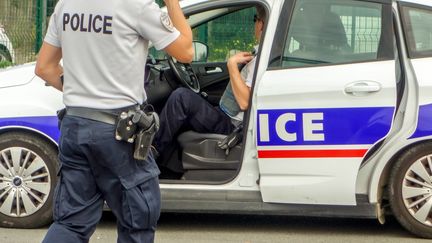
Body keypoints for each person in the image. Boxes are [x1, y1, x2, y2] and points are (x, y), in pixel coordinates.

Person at [35, 0, 193, 242]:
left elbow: (45, 67)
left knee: (70, 224)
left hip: (75, 125)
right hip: (119, 133)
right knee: (137, 224)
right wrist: (172, 3)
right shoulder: (137, 5)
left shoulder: (66, 5)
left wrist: (83, 91)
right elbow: (186, 51)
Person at [153, 6, 266, 175]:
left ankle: (150, 155)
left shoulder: (259, 61)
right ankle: (169, 169)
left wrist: (232, 66)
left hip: (233, 125)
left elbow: (244, 102)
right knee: (189, 103)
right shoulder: (259, 55)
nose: (254, 25)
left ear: (261, 24)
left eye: (255, 19)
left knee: (181, 98)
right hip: (227, 114)